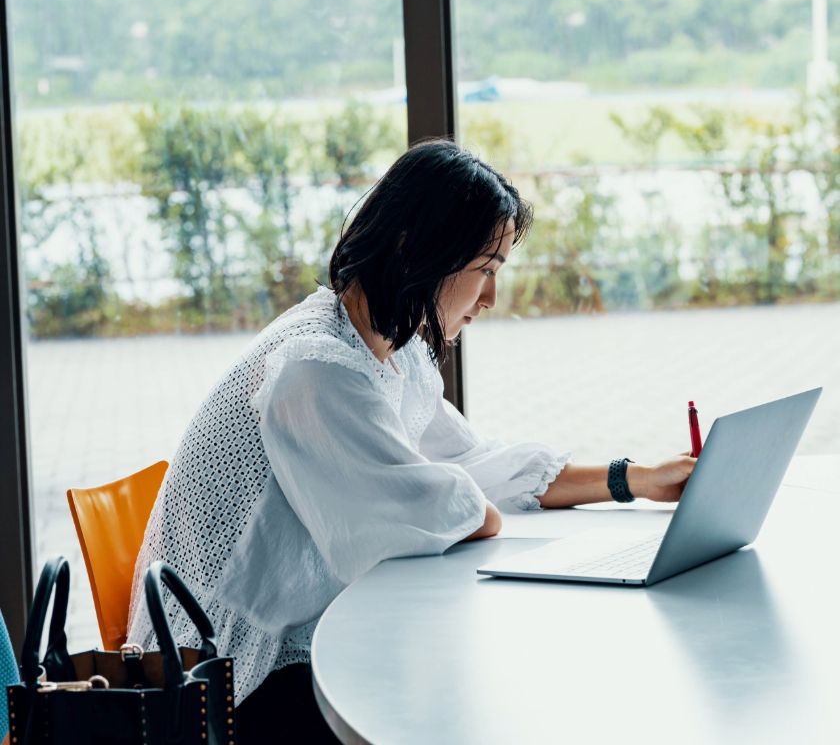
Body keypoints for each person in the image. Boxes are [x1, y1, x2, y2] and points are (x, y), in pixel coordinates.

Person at [127, 140, 695, 743]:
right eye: (485, 270)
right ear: (414, 247)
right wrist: (472, 506)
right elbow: (428, 514)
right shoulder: (316, 368)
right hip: (232, 683)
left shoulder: (394, 347)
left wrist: (636, 479)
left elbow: (473, 468)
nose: (491, 299)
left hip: (298, 639)